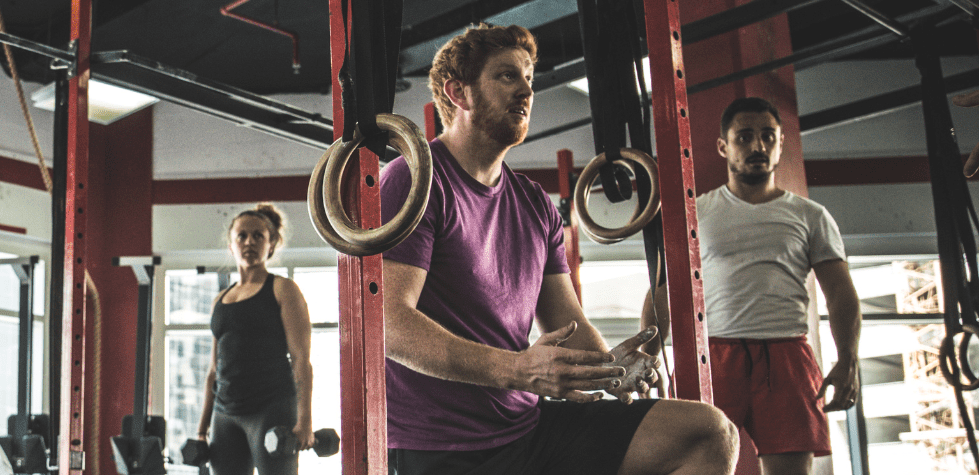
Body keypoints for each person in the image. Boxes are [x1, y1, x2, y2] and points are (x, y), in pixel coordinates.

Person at [377, 23, 738, 475]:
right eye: (508, 76)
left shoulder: (533, 204)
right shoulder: (414, 181)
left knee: (707, 433)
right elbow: (389, 324)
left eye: (529, 78)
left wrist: (609, 370)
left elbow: (569, 322)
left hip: (525, 427)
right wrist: (518, 371)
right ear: (459, 93)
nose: (526, 90)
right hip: (439, 446)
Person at [639, 97, 861, 475]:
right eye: (744, 137)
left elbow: (839, 293)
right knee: (695, 463)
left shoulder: (810, 216)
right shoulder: (697, 213)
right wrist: (647, 355)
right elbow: (664, 291)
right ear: (724, 146)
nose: (757, 146)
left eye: (767, 137)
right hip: (713, 355)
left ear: (780, 143)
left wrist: (848, 358)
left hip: (786, 356)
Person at [192, 203, 315, 475]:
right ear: (231, 243)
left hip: (271, 407)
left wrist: (304, 421)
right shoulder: (219, 301)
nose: (250, 242)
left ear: (271, 244)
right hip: (225, 412)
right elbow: (214, 370)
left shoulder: (283, 289)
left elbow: (301, 359)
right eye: (242, 235)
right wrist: (201, 430)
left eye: (259, 236)